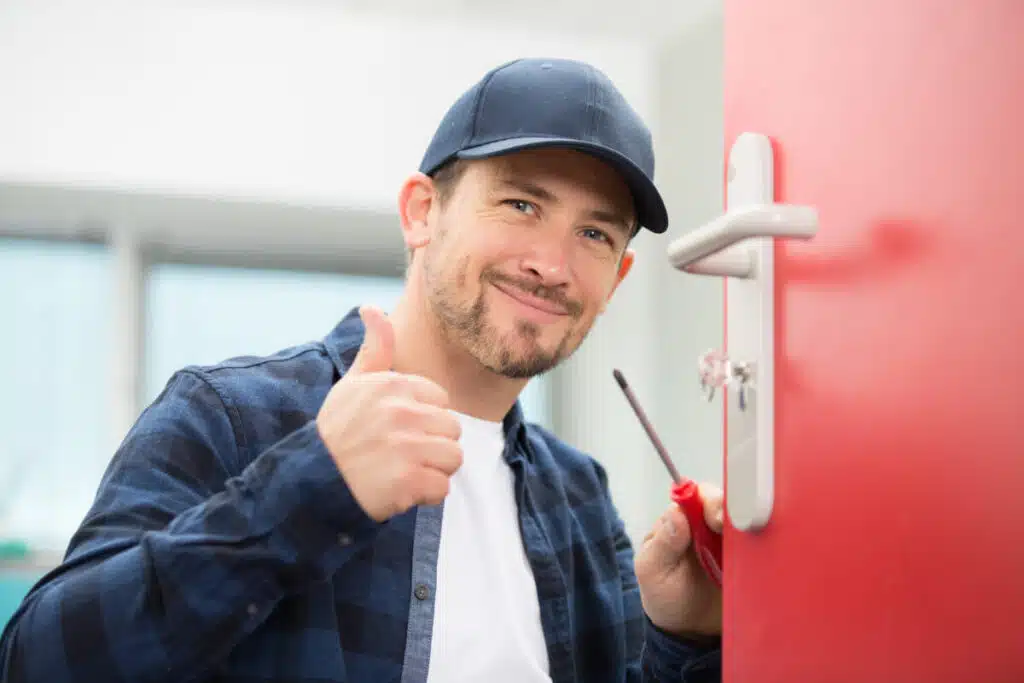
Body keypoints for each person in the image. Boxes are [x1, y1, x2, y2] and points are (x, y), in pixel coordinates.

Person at [0, 57, 724, 682]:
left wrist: (683, 635)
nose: (551, 264)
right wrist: (305, 490)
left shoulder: (580, 495)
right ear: (420, 213)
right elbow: (37, 663)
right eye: (521, 202)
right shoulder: (228, 416)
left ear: (619, 275)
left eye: (593, 233)